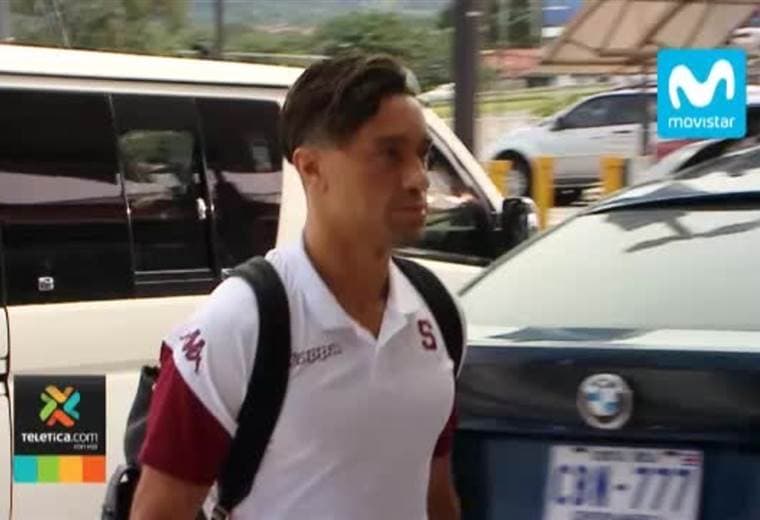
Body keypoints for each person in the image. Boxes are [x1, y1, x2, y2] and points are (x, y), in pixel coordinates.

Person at [129, 54, 465, 520]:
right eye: (389, 154)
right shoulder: (239, 324)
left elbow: (435, 492)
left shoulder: (438, 312)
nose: (419, 178)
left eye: (421, 154)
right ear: (311, 168)